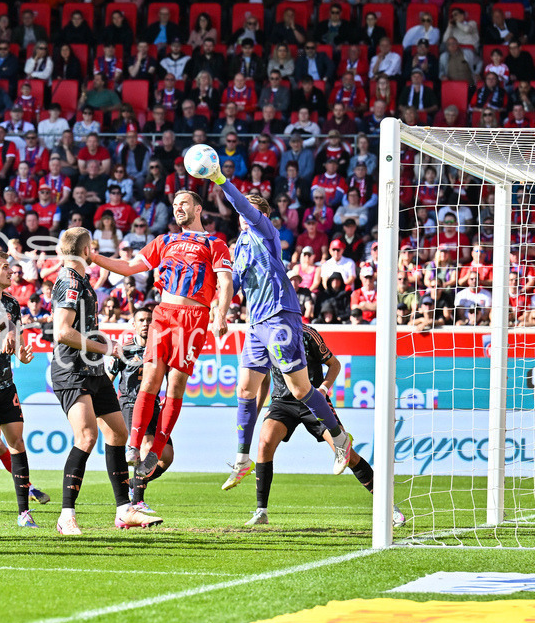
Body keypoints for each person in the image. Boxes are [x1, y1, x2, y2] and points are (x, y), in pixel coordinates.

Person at [205, 165, 353, 490]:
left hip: (280, 315)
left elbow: (243, 206)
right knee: (245, 389)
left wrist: (220, 180)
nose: (244, 215)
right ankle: (242, 458)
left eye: (249, 210)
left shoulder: (266, 232)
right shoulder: (239, 247)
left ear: (261, 215)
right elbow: (232, 284)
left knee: (300, 390)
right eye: (243, 211)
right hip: (256, 323)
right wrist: (217, 310)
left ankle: (340, 438)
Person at [90, 191, 234, 478]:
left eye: (183, 204)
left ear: (198, 208)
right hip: (164, 314)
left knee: (175, 386)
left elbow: (226, 281)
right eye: (175, 204)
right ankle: (134, 445)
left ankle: (155, 450)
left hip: (194, 318)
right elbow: (128, 267)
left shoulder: (214, 243)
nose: (178, 208)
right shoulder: (164, 241)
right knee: (150, 379)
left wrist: (220, 314)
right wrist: (92, 256)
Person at [51, 227, 161, 535]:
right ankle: (66, 515)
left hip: (93, 371)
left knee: (117, 433)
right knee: (86, 437)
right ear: (87, 251)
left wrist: (102, 348)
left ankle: (124, 510)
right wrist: (106, 347)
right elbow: (62, 332)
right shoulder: (70, 281)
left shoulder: (80, 279)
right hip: (72, 370)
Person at [246, 325, 406, 528]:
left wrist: (322, 389)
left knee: (349, 455)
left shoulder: (307, 334)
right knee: (264, 444)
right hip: (282, 402)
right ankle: (261, 512)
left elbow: (334, 364)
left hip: (312, 399)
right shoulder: (264, 335)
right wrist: (254, 414)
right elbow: (264, 379)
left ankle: (389, 507)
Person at [0, 250, 43, 527]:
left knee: (16, 441)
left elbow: (17, 342)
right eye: (5, 267)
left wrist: (22, 355)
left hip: (5, 382)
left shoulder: (12, 304)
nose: (11, 272)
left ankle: (24, 513)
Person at [109, 306, 173, 514]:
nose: (146, 324)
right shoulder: (124, 350)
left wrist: (168, 397)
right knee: (145, 445)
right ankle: (137, 501)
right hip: (130, 403)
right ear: (134, 324)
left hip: (153, 404)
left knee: (166, 456)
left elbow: (171, 379)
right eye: (142, 320)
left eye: (149, 320)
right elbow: (108, 378)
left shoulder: (161, 349)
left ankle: (134, 484)